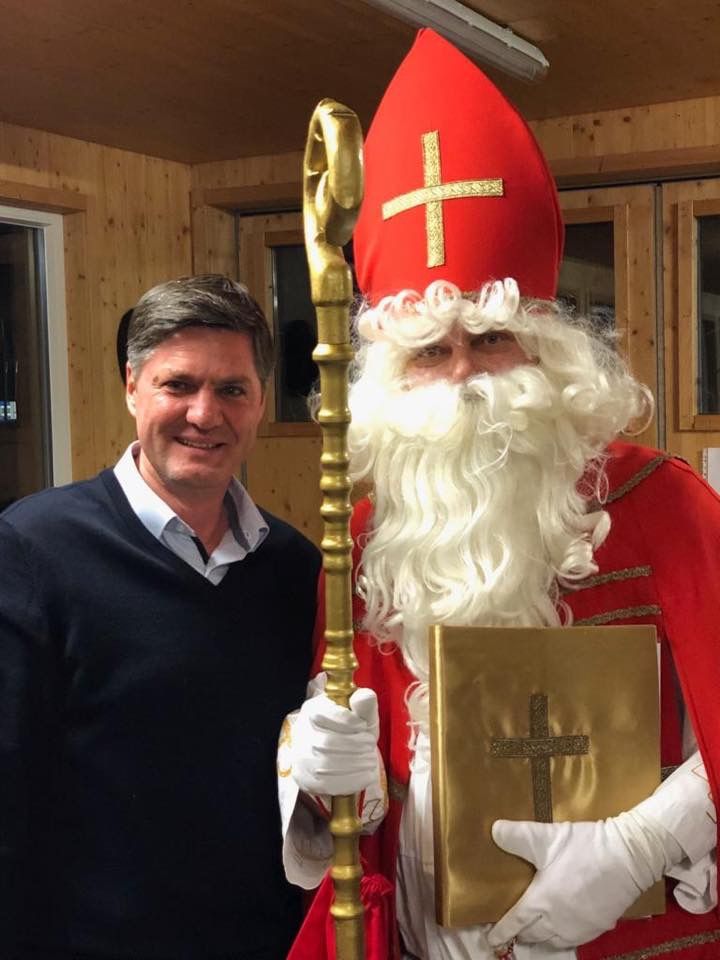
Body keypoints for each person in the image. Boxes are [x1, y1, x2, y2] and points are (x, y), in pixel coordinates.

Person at [279, 30, 720, 960]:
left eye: (490, 338)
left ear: (548, 351)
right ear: (394, 376)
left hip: (626, 933)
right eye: (430, 350)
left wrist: (643, 843)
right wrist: (317, 774)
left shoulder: (664, 503)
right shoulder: (374, 532)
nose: (465, 376)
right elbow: (365, 768)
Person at [0, 274, 321, 959]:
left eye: (232, 389)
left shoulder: (295, 569)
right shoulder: (33, 550)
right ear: (131, 387)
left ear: (261, 401)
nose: (205, 414)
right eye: (178, 385)